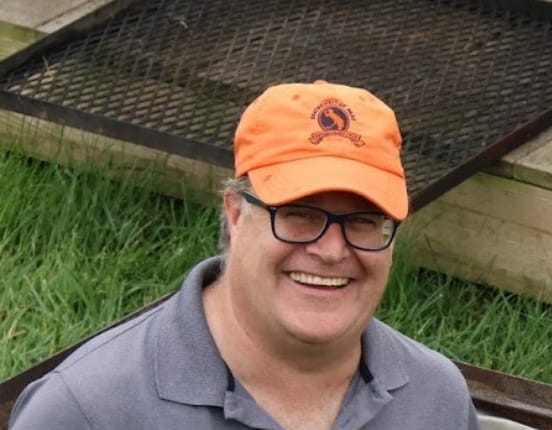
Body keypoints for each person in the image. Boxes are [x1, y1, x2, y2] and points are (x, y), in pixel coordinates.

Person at [9, 81, 481, 430]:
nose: (333, 250)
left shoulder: (434, 396)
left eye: (363, 221)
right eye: (298, 214)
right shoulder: (88, 410)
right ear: (235, 214)